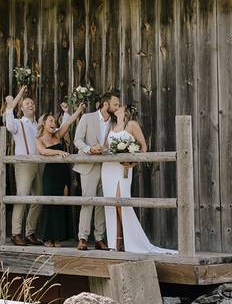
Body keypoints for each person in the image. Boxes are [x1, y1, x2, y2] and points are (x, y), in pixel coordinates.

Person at [102, 101, 176, 254]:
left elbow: (143, 147)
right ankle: (115, 243)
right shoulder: (112, 126)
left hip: (123, 168)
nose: (115, 108)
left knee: (121, 202)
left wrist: (133, 161)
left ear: (124, 109)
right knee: (110, 204)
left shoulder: (132, 125)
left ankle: (132, 241)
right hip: (108, 168)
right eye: (114, 106)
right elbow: (106, 147)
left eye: (118, 106)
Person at [72, 91, 115, 251]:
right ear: (106, 105)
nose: (117, 107)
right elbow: (77, 140)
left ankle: (99, 238)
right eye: (115, 104)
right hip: (89, 165)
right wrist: (90, 149)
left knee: (102, 203)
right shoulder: (87, 118)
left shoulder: (114, 123)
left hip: (106, 167)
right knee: (88, 201)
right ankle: (82, 238)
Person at [37, 105, 84, 246]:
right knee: (50, 204)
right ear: (44, 124)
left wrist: (79, 110)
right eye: (50, 121)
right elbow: (43, 152)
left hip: (63, 174)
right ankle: (47, 237)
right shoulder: (39, 139)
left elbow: (68, 123)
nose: (53, 124)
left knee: (61, 204)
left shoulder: (57, 135)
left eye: (54, 121)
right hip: (50, 175)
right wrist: (58, 152)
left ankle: (58, 237)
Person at [4, 85, 43, 246]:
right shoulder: (17, 123)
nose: (30, 105)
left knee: (39, 198)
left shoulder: (38, 125)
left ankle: (30, 232)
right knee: (22, 197)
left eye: (32, 103)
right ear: (20, 108)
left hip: (39, 163)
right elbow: (8, 123)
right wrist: (13, 101)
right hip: (24, 163)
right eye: (27, 103)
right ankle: (16, 233)